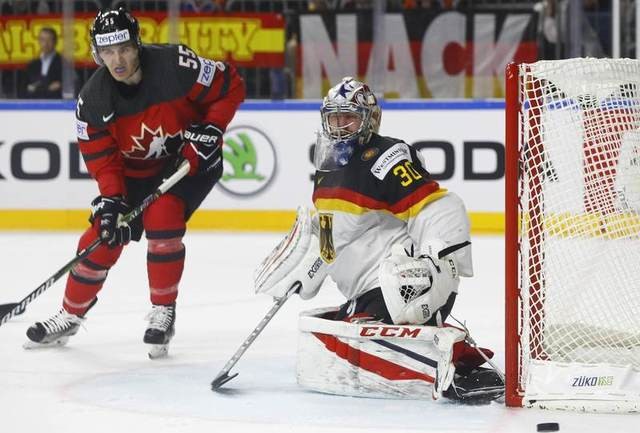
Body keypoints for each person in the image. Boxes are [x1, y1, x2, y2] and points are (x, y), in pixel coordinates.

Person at [256, 77, 503, 402]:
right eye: (334, 116)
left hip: (403, 288)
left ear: (369, 119)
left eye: (349, 117)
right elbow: (336, 235)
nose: (340, 125)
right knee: (336, 329)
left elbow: (442, 207)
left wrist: (436, 269)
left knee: (352, 336)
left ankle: (450, 370)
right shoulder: (326, 166)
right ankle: (446, 358)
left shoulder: (385, 158)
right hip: (369, 291)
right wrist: (310, 266)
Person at [24, 8, 245, 358]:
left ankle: (163, 311)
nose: (118, 59)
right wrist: (112, 201)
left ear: (137, 44)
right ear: (97, 53)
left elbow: (231, 83)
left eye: (124, 48)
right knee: (101, 238)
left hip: (189, 162)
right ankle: (69, 314)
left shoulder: (177, 65)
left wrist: (214, 127)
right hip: (135, 177)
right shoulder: (93, 101)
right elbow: (103, 160)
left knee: (163, 216)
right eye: (108, 52)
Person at [20, 27, 62, 99]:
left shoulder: (63, 63)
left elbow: (68, 86)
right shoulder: (32, 65)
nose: (45, 43)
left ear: (55, 41)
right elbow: (24, 88)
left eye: (49, 40)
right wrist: (47, 88)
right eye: (42, 40)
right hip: (34, 104)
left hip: (55, 104)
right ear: (39, 41)